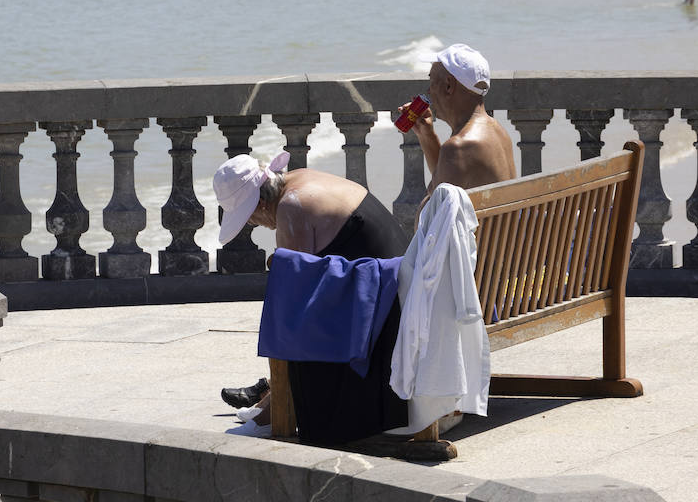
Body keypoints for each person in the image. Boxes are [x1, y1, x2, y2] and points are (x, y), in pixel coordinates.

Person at [212, 151, 409, 443]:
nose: (256, 225)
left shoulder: (291, 207)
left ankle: (275, 409)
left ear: (261, 203)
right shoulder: (299, 178)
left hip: (385, 299)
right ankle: (269, 399)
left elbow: (295, 287)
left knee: (291, 321)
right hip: (398, 276)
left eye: (251, 218)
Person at [398, 43, 515, 200]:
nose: (428, 91)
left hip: (479, 225)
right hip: (497, 224)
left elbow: (432, 213)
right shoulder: (498, 132)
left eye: (431, 81)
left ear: (448, 86)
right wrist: (426, 135)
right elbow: (447, 175)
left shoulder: (459, 147)